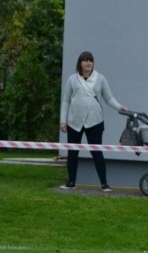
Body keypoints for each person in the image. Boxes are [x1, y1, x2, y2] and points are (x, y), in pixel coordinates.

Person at [59, 51, 127, 191]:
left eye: (90, 60)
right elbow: (65, 100)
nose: (88, 63)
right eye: (85, 60)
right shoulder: (72, 79)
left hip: (95, 120)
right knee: (73, 152)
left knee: (97, 151)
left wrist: (120, 106)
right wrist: (62, 120)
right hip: (74, 121)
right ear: (80, 63)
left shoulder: (100, 78)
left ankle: (104, 184)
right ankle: (71, 182)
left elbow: (108, 98)